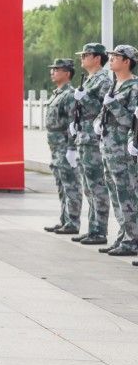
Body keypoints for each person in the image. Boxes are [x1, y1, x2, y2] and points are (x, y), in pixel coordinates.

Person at [71, 43, 115, 249]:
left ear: (97, 58)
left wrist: (85, 98)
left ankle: (99, 231)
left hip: (93, 139)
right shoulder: (90, 79)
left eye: (86, 55)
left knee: (97, 186)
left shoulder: (103, 80)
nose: (82, 58)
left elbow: (103, 109)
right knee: (89, 187)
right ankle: (93, 228)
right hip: (84, 137)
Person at [98, 45, 138, 258]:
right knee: (115, 195)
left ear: (127, 61)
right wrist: (97, 122)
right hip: (109, 149)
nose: (111, 58)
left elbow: (132, 121)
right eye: (111, 55)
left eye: (116, 56)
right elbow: (104, 113)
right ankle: (124, 236)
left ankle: (133, 240)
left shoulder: (134, 87)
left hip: (123, 150)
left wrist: (113, 105)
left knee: (127, 194)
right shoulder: (114, 85)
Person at [45, 58, 82, 235]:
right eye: (52, 69)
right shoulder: (57, 93)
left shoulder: (69, 95)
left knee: (70, 184)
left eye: (57, 69)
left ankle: (73, 222)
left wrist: (72, 148)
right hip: (55, 146)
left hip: (64, 145)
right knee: (61, 184)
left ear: (67, 73)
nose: (52, 72)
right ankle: (65, 219)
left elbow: (72, 123)